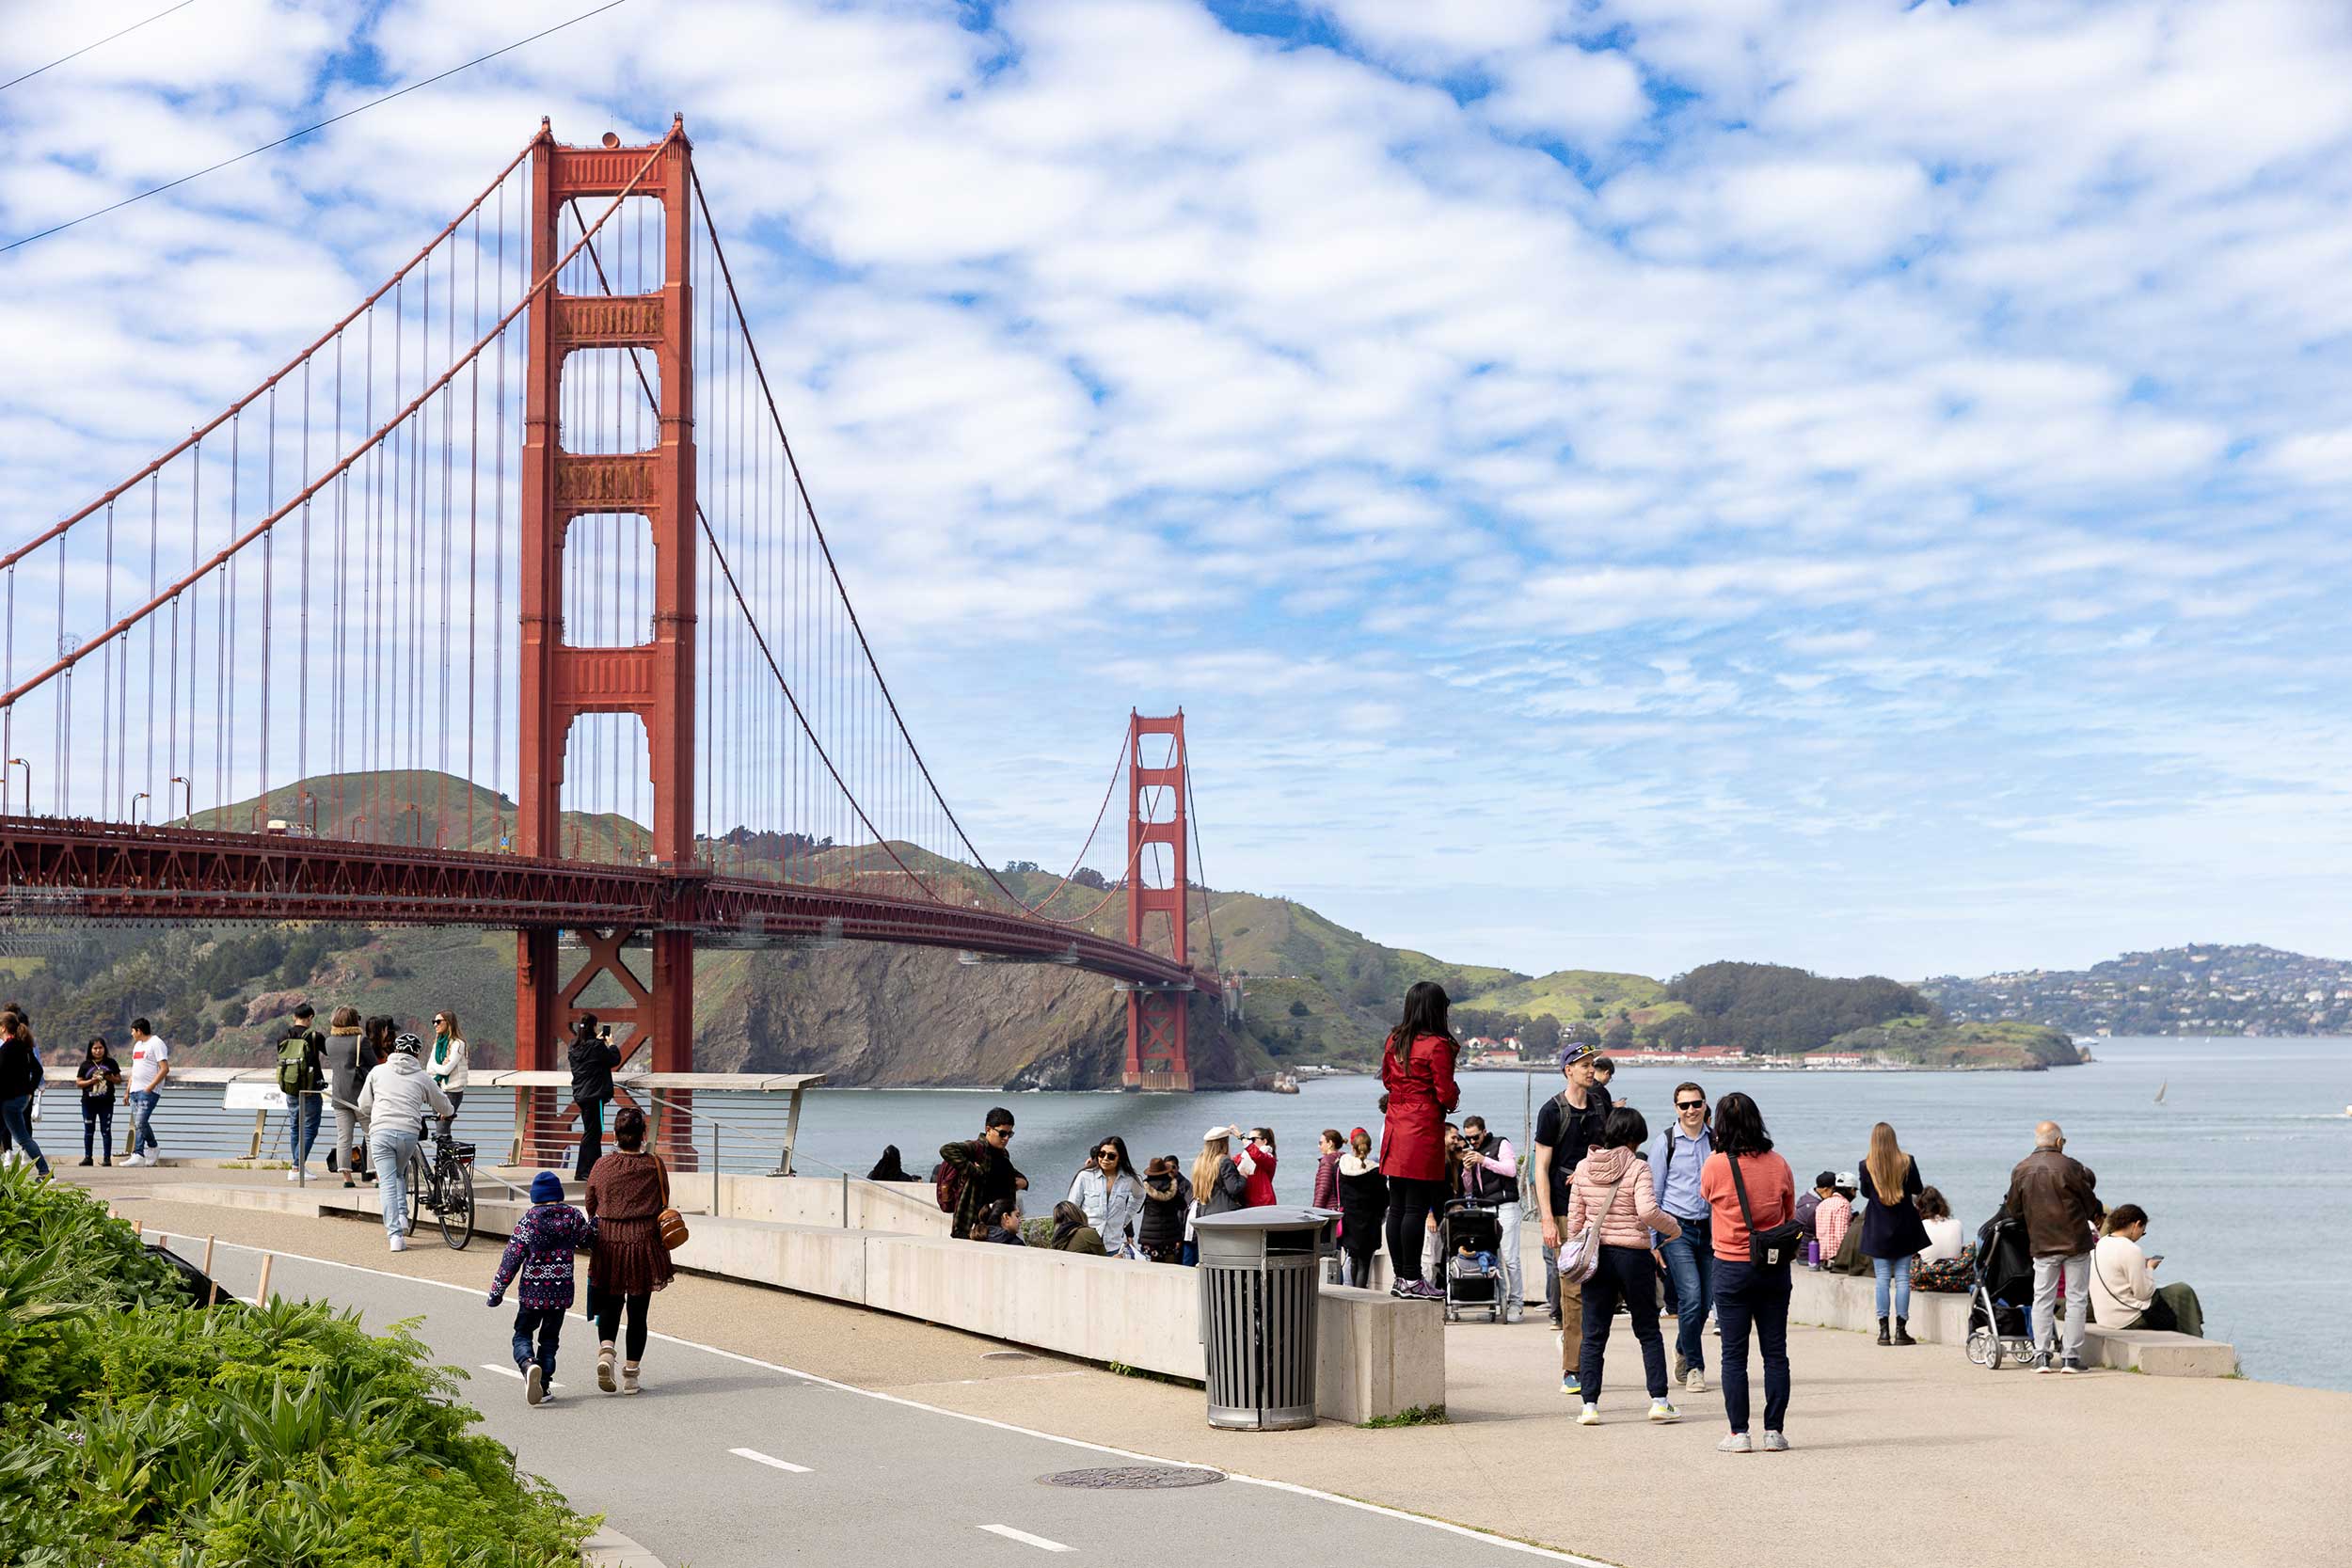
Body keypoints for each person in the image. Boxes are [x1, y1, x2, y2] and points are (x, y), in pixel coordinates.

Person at [1565, 1107, 1683, 1426]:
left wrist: (1581, 1241)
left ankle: (1589, 1405)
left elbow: (1575, 1220)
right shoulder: (1638, 1167)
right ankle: (1659, 1400)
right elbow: (1647, 1211)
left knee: (1594, 1333)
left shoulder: (1583, 1167)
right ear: (1633, 1139)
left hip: (1597, 1256)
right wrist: (1673, 1228)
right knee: (1647, 1329)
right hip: (1632, 1256)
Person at [1700, 1091, 1797, 1453]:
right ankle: (1774, 1431)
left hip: (1730, 1265)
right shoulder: (1779, 1163)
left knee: (1733, 1354)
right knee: (1775, 1352)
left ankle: (1739, 1433)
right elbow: (1788, 1215)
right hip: (1772, 1268)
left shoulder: (1715, 1165)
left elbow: (1705, 1197)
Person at [1534, 1041, 1612, 1390]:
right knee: (1573, 1290)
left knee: (1604, 1289)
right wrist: (1547, 1219)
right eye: (1583, 1065)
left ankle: (1583, 1352)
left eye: (1592, 1064)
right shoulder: (1552, 1111)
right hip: (1566, 1211)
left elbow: (1613, 1151)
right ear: (1568, 1070)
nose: (1590, 1069)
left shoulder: (1601, 1104)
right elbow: (1541, 1168)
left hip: (1601, 1208)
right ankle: (1573, 1368)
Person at [1379, 981, 1462, 1302]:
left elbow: (1387, 1080)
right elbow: (1445, 1091)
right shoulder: (1438, 1045)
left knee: (1396, 1206)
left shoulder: (1395, 1040)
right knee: (1416, 1206)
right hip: (1422, 1128)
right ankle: (1413, 1277)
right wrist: (1452, 1100)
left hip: (1395, 1126)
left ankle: (1402, 1276)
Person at [582, 1105, 674, 1394]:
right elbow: (664, 1200)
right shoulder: (654, 1165)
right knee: (638, 1311)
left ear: (615, 1134)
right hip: (643, 1243)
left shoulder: (601, 1165)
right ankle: (631, 1376)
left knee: (610, 1303)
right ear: (643, 1134)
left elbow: (590, 1202)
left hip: (609, 1242)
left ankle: (607, 1352)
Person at [486, 1169, 597, 1406]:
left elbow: (511, 1259)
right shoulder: (572, 1216)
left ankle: (528, 1364)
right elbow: (589, 1239)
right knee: (549, 1340)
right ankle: (544, 1385)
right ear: (558, 1194)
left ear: (535, 1197)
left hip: (532, 1294)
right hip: (560, 1293)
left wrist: (496, 1293)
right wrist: (597, 1221)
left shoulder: (529, 1220)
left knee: (522, 1334)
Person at [2005, 1120, 2101, 1374]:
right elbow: (2091, 1205)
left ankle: (2041, 1356)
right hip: (2076, 1243)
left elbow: (2014, 1208)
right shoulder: (2072, 1166)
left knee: (2042, 1299)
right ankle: (2070, 1357)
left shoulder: (2022, 1169)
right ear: (2059, 1142)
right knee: (2076, 1299)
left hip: (2042, 1243)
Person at [356, 1031, 454, 1252]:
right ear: (417, 1054)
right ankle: (402, 1215)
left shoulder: (377, 1071)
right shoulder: (422, 1077)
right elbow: (445, 1106)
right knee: (399, 1173)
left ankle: (396, 1236)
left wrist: (377, 1111)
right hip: (408, 1134)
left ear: (395, 1050)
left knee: (388, 1181)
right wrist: (448, 1112)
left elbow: (363, 1104)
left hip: (381, 1133)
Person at [1646, 1082, 1714, 1390]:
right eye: (1684, 1105)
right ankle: (1696, 1367)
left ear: (1704, 1105)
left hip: (1712, 1230)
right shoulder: (1665, 1142)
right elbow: (1653, 1193)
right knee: (1691, 1296)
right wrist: (1653, 1240)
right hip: (1676, 1230)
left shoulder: (1716, 1141)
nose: (1691, 1110)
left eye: (1696, 1104)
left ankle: (1683, 1348)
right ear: (1676, 1108)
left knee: (1706, 1301)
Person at [1858, 1121, 1931, 1347]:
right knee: (1902, 1279)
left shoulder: (1865, 1165)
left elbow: (1864, 1192)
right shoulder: (1907, 1161)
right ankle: (1901, 1330)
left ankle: (1883, 1331)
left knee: (1881, 1279)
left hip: (1878, 1226)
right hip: (1904, 1226)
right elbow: (1918, 1189)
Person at [2092, 1205, 2205, 1338]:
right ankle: (2196, 1336)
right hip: (2128, 1320)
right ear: (2137, 1224)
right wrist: (2150, 1268)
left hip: (2105, 1318)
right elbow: (2144, 1294)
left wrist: (2140, 1265)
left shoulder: (2101, 1243)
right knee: (2182, 1291)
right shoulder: (2131, 1249)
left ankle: (2191, 1336)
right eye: (2143, 1231)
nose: (2141, 1236)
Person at [1458, 1114, 1526, 1323]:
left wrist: (1484, 1160)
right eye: (1468, 1138)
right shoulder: (1472, 1152)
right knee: (1489, 1257)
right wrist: (1467, 1170)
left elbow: (1510, 1169)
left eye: (1475, 1137)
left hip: (1506, 1206)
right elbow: (1469, 1188)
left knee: (1510, 1257)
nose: (1472, 1142)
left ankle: (1516, 1303)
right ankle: (1496, 1301)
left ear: (1484, 1132)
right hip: (1484, 1208)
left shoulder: (1501, 1144)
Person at [940, 1107, 1028, 1241]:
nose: (1006, 1139)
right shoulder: (977, 1148)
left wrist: (1024, 1182)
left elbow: (1011, 1173)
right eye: (1002, 1133)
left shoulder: (1003, 1154)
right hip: (974, 1223)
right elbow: (947, 1149)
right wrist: (975, 1171)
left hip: (999, 1223)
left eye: (1010, 1134)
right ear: (988, 1129)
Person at [1068, 1135, 1145, 1256]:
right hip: (1086, 1244)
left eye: (1111, 1156)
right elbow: (1072, 1208)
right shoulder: (1085, 1176)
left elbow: (1139, 1196)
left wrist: (1125, 1219)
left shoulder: (1130, 1179)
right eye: (1101, 1154)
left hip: (1113, 1245)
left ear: (1120, 1158)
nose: (1105, 1159)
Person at [566, 1014, 622, 1181]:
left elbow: (589, 1058)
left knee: (590, 1131)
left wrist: (597, 1042)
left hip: (581, 1094)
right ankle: (587, 1171)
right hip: (594, 1095)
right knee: (593, 1133)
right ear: (594, 1027)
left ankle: (588, 1170)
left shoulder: (574, 1047)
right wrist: (611, 1044)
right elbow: (614, 1059)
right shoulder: (596, 1046)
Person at [277, 1004, 328, 1182]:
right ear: (311, 1017)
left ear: (294, 1017)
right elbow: (329, 1052)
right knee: (309, 1128)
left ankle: (298, 1166)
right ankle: (297, 1167)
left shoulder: (283, 1036)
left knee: (295, 1128)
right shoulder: (314, 1037)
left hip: (290, 1089)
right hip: (310, 1089)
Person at [0, 1012, 50, 1179]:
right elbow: (38, 1070)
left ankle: (44, 1172)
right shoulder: (24, 1047)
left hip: (8, 1099)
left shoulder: (6, 1049)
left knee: (23, 1138)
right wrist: (30, 1091)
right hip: (20, 1098)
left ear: (3, 1028)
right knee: (23, 1137)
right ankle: (44, 1172)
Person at [322, 1006, 367, 1186]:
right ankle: (377, 1175)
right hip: (360, 1095)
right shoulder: (360, 1040)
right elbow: (372, 1066)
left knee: (344, 1137)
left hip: (339, 1095)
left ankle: (346, 1177)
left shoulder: (329, 1042)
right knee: (371, 1136)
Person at [1336, 1127, 1386, 1287]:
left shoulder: (1343, 1168)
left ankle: (1353, 1294)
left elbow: (1339, 1193)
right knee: (1364, 1263)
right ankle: (1361, 1292)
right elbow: (1385, 1198)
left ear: (1352, 1147)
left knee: (1353, 1259)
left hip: (1350, 1220)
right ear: (1370, 1148)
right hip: (1370, 1222)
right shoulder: (1376, 1171)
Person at [121, 1017, 168, 1167]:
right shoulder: (137, 1046)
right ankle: (146, 1151)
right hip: (135, 1090)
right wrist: (127, 1091)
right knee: (139, 1123)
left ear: (139, 1030)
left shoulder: (156, 1043)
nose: (131, 1034)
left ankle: (142, 1152)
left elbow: (164, 1068)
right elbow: (134, 1070)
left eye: (133, 1031)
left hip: (149, 1091)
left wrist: (150, 1087)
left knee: (140, 1122)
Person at [74, 1037, 122, 1167]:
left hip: (106, 1102)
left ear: (105, 1049)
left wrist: (109, 1077)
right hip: (88, 1102)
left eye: (100, 1048)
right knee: (88, 1131)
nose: (98, 1051)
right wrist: (91, 1081)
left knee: (106, 1130)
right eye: (95, 1048)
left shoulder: (111, 1063)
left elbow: (118, 1080)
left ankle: (107, 1159)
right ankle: (88, 1157)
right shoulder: (85, 1065)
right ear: (90, 1050)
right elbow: (79, 1082)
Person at [1137, 1156, 1191, 1263]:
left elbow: (1136, 1207)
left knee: (1154, 1266)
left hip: (1150, 1237)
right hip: (1170, 1236)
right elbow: (1183, 1206)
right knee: (1170, 1266)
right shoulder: (1172, 1187)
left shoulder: (1145, 1188)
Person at [427, 1009, 469, 1112]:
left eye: (438, 1022)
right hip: (437, 1088)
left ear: (448, 1022)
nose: (435, 1025)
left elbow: (446, 1070)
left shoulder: (458, 1044)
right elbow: (429, 1068)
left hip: (452, 1091)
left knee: (442, 1126)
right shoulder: (437, 1044)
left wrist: (436, 1066)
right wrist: (441, 1065)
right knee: (439, 1124)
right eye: (434, 1022)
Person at [1815, 1172, 1855, 1264]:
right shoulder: (1843, 1204)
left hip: (1821, 1256)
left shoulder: (1822, 1203)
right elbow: (1842, 1236)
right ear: (1852, 1190)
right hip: (1836, 1258)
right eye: (1855, 1191)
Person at [1794, 1170, 1836, 1256]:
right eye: (1834, 1190)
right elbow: (1825, 1232)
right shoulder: (1815, 1208)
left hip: (1798, 1247)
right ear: (1826, 1189)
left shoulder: (1806, 1198)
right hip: (1808, 1253)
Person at [1237, 1126, 1279, 1208]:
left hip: (1263, 1203)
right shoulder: (1244, 1156)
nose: (1250, 1142)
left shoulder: (1269, 1158)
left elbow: (1258, 1156)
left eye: (1253, 1140)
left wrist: (1241, 1137)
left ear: (1264, 1141)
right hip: (1247, 1201)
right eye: (1249, 1140)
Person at [1312, 1129, 1343, 1213]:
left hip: (1329, 1209)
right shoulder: (1344, 1158)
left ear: (1330, 1143)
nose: (1319, 1146)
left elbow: (1323, 1189)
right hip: (1342, 1208)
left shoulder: (1327, 1161)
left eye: (1321, 1143)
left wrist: (1316, 1211)